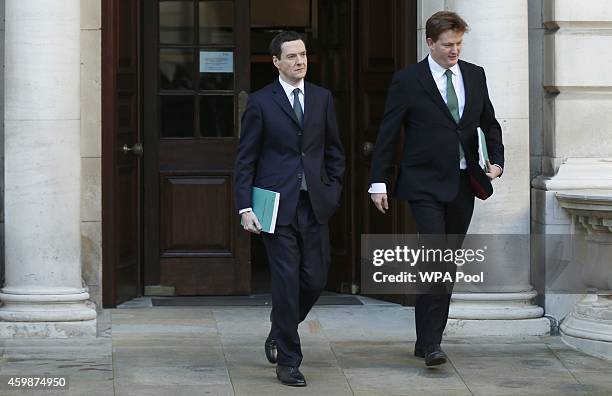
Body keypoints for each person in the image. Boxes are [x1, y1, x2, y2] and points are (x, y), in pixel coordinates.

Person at [368, 11, 504, 366]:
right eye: (447, 45)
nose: (454, 51)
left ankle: (425, 337)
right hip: (423, 183)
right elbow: (388, 134)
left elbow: (489, 124)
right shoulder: (408, 80)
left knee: (448, 262)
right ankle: (432, 343)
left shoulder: (475, 75)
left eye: (458, 44)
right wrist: (378, 181)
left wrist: (497, 161)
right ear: (430, 43)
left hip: (464, 182)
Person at [234, 31, 345, 386]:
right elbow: (245, 159)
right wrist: (244, 206)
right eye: (292, 56)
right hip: (276, 205)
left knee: (315, 277)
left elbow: (333, 150)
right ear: (276, 62)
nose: (300, 61)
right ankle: (289, 360)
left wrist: (332, 187)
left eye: (303, 54)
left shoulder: (322, 98)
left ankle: (279, 328)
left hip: (314, 204)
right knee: (285, 281)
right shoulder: (260, 102)